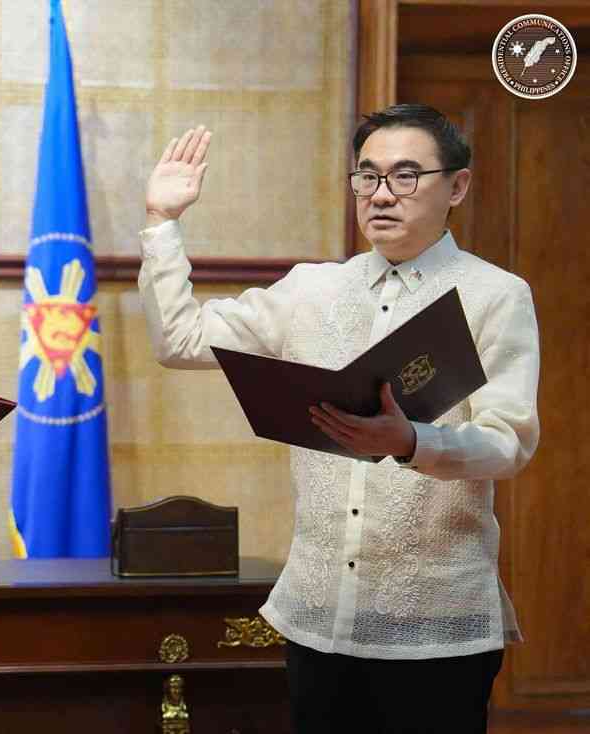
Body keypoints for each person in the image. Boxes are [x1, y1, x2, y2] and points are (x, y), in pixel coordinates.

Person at [138, 104, 539, 733]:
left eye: (406, 176)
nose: (381, 194)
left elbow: (507, 443)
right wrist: (163, 222)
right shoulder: (311, 290)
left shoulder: (495, 295)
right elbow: (180, 341)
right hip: (318, 616)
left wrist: (412, 441)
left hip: (436, 627)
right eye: (367, 176)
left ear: (457, 186)